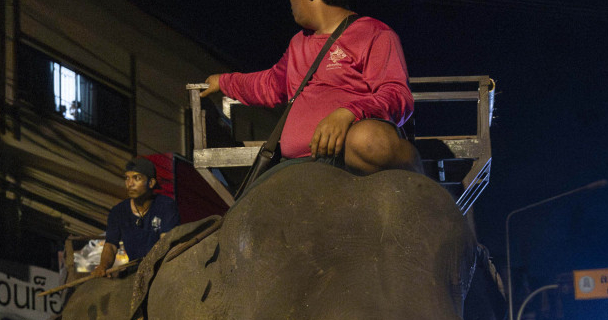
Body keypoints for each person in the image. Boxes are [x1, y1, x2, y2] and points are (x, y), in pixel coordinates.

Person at [200, 0, 420, 174]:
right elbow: (269, 85)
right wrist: (224, 81)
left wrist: (347, 113)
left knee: (368, 140)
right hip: (297, 165)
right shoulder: (298, 43)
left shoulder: (374, 33)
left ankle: (416, 190)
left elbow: (397, 95)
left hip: (349, 158)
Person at [94, 156, 180, 276]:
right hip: (133, 271)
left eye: (137, 178)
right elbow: (111, 245)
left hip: (161, 268)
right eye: (127, 178)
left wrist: (150, 266)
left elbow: (166, 242)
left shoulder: (166, 206)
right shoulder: (118, 212)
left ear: (151, 183)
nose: (130, 184)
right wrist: (103, 266)